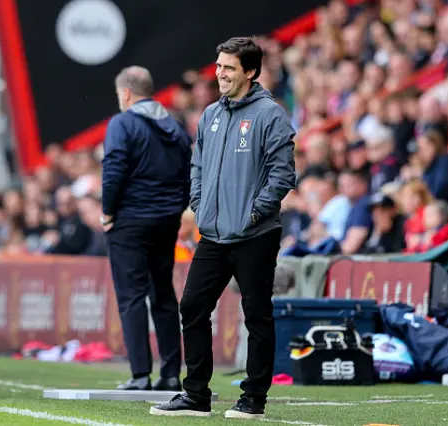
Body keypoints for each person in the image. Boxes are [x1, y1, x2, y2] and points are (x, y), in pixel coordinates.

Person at [150, 37, 296, 419]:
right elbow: (197, 166)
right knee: (193, 307)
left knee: (257, 315)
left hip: (255, 234)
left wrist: (253, 213)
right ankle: (196, 394)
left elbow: (283, 175)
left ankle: (254, 399)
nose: (220, 74)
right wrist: (199, 204)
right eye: (218, 66)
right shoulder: (212, 113)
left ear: (249, 71)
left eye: (228, 67)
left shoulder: (271, 114)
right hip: (213, 234)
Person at [101, 66, 192, 391]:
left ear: (126, 93)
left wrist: (107, 211)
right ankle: (170, 373)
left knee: (132, 296)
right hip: (166, 220)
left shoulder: (122, 123)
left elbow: (113, 170)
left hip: (130, 220)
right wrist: (177, 209)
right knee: (163, 294)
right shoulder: (175, 125)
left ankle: (140, 375)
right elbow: (188, 174)